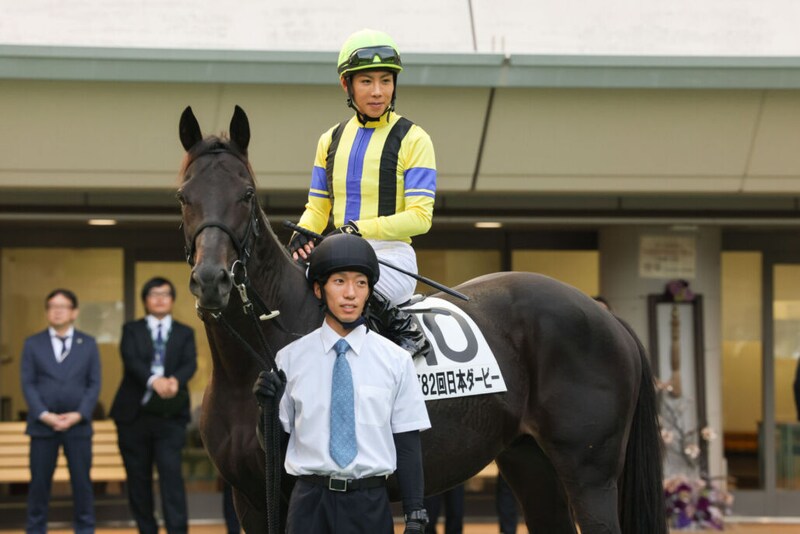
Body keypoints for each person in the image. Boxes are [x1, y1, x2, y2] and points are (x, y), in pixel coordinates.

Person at [254, 233, 431, 533]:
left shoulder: (397, 361)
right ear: (319, 290)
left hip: (370, 505)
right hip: (308, 505)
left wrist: (415, 513)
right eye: (339, 282)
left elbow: (407, 444)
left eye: (360, 283)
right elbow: (274, 448)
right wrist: (265, 411)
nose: (351, 293)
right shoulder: (289, 360)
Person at [287, 28, 437, 359]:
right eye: (366, 81)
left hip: (392, 259)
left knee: (347, 293)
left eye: (386, 80)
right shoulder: (329, 139)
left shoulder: (414, 139)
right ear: (347, 85)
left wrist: (357, 230)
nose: (378, 91)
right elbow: (317, 208)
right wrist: (302, 234)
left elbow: (420, 218)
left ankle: (403, 335)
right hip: (335, 254)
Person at [110, 277, 197, 534]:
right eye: (154, 294)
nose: (159, 298)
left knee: (172, 478)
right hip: (133, 417)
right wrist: (153, 381)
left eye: (165, 294)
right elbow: (130, 359)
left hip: (170, 417)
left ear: (172, 300)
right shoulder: (131, 329)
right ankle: (146, 529)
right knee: (138, 480)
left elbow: (190, 363)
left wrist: (175, 380)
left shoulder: (185, 332)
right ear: (145, 300)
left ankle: (177, 530)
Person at [21, 289, 101, 534]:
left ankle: (85, 529)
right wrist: (44, 414)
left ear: (74, 312)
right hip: (42, 426)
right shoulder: (33, 343)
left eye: (63, 306)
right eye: (52, 306)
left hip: (78, 426)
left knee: (82, 484)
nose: (57, 310)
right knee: (39, 485)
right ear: (47, 311)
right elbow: (28, 383)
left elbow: (94, 384)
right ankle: (35, 529)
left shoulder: (88, 343)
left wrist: (79, 414)